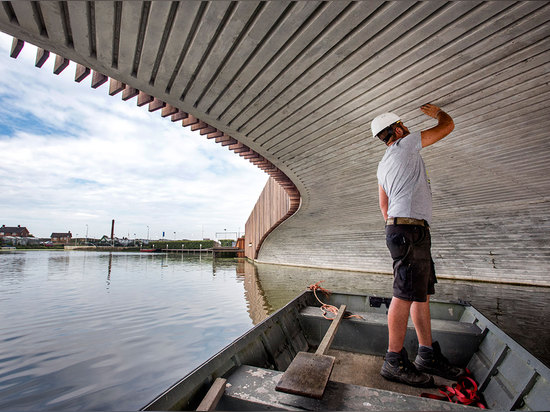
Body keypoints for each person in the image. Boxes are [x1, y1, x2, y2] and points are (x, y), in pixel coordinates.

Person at [373, 103, 464, 387]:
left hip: (407, 229)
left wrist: (398, 227)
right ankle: (393, 361)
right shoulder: (406, 144)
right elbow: (446, 127)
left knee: (420, 293)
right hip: (410, 231)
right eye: (404, 125)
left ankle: (426, 354)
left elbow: (383, 205)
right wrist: (438, 112)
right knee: (404, 294)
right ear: (398, 129)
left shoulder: (382, 165)